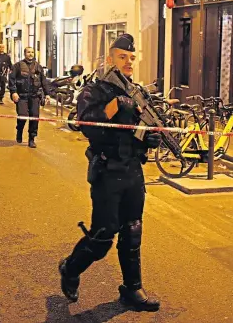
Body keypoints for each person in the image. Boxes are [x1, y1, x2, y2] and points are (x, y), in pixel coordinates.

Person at [58, 34, 162, 311]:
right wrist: (115, 105)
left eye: (131, 57)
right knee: (103, 236)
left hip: (133, 171)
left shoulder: (137, 91)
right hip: (107, 172)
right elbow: (87, 125)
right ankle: (70, 268)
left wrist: (149, 139)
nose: (128, 62)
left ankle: (132, 288)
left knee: (133, 230)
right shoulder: (95, 91)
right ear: (109, 59)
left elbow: (138, 130)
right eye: (121, 57)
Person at [8, 47, 51, 148]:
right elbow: (11, 80)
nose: (30, 54)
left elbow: (43, 81)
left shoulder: (38, 67)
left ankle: (31, 139)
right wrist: (13, 92)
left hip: (34, 96)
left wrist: (47, 94)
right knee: (22, 116)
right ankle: (19, 131)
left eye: (32, 52)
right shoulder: (17, 66)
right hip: (22, 96)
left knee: (34, 117)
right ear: (24, 53)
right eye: (28, 52)